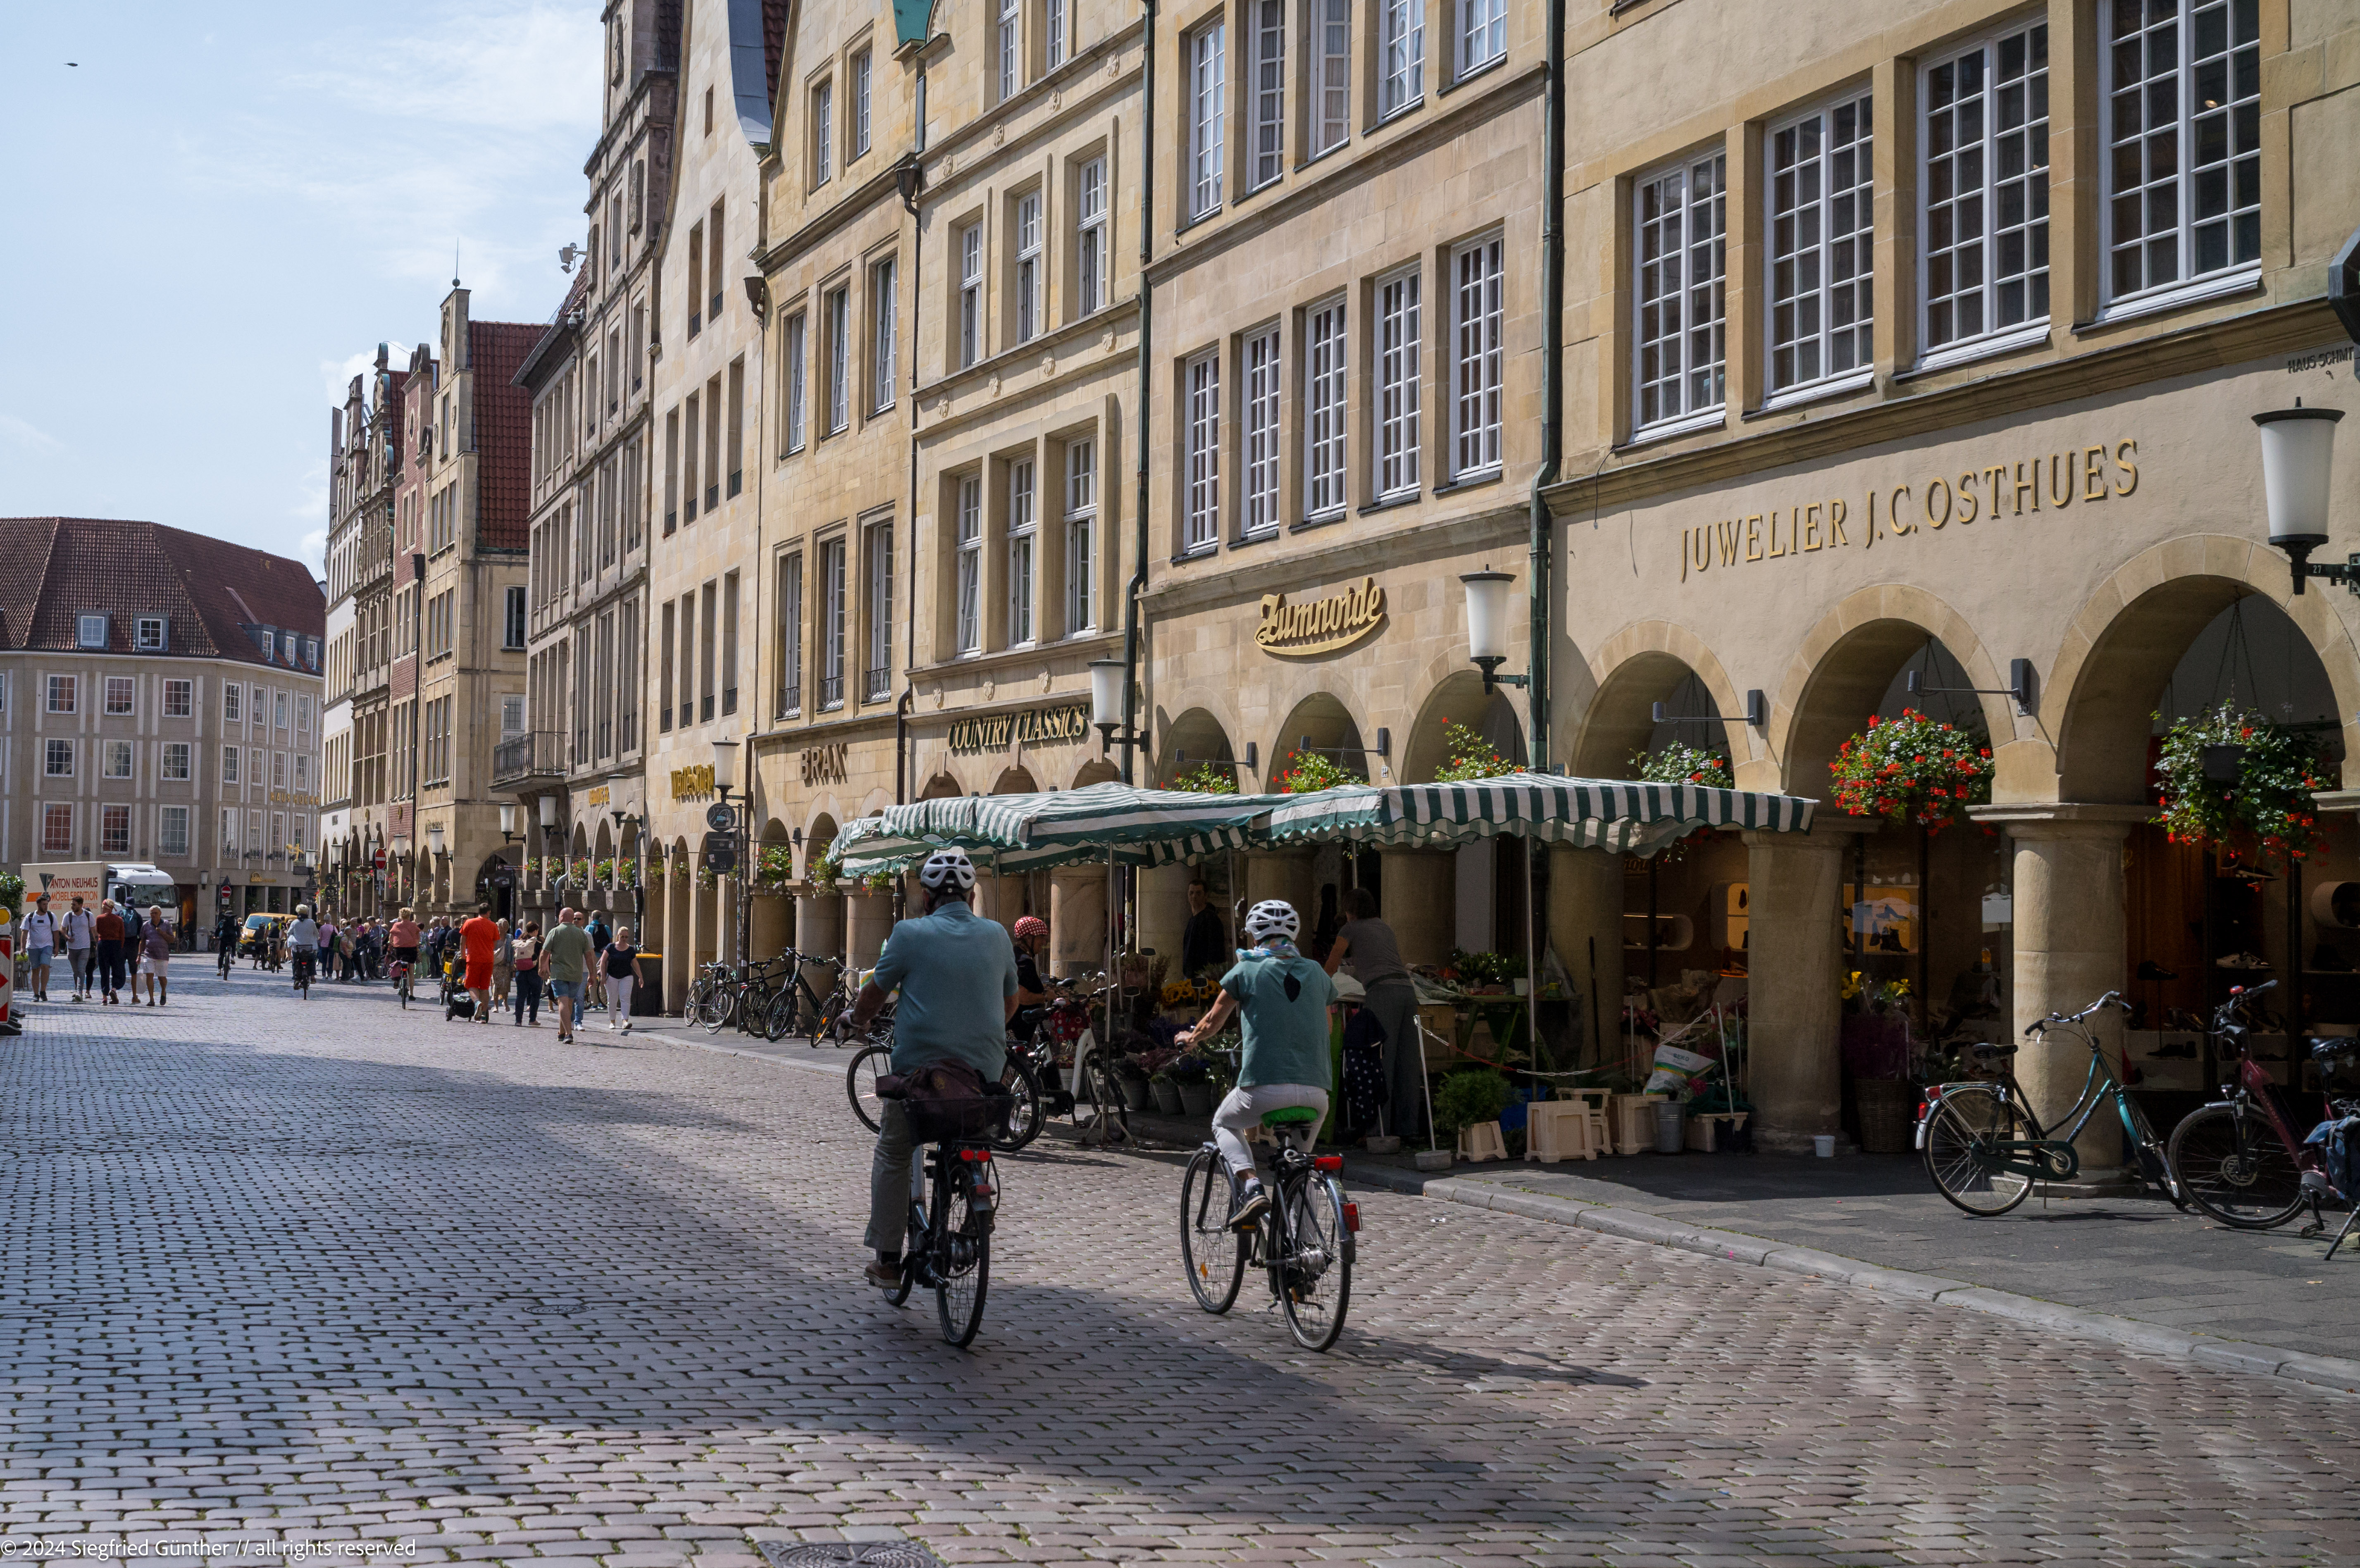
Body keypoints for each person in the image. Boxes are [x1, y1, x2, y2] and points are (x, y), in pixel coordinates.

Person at [841, 848, 1019, 1287]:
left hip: (921, 1075)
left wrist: (857, 1019)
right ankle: (976, 1197)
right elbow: (1010, 1003)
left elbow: (874, 993)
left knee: (895, 1150)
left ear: (926, 896)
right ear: (972, 897)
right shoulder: (998, 935)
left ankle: (887, 1259)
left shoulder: (908, 933)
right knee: (972, 1132)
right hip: (981, 1074)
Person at [1178, 899, 1337, 1231]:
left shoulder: (1246, 970)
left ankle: (1251, 1187)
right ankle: (1307, 1250)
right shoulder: (1318, 973)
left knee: (1223, 1123)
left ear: (1253, 936)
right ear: (1294, 935)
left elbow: (1212, 1022)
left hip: (1265, 1088)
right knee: (1300, 1169)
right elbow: (1328, 1027)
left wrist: (1190, 1039)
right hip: (1316, 1092)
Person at [1323, 887, 1424, 1141]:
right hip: (1408, 993)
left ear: (1350, 910)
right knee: (1408, 1063)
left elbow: (1332, 964)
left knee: (1381, 1061)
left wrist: (1317, 986)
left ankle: (1378, 1132)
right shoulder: (1384, 927)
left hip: (1384, 994)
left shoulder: (1350, 928)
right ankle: (1409, 1129)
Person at [540, 908, 594, 1044]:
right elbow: (589, 956)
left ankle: (569, 1034)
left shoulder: (555, 932)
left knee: (563, 1003)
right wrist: (592, 974)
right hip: (576, 974)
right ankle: (562, 1032)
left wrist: (542, 967)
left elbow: (544, 952)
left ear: (562, 917)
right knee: (568, 1004)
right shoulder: (581, 934)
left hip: (559, 974)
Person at [459, 903, 501, 1025]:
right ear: (488, 913)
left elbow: (463, 941)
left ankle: (477, 1003)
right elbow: (495, 943)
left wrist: (463, 956)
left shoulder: (469, 923)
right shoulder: (493, 925)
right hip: (488, 960)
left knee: (471, 985)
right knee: (484, 987)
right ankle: (483, 1016)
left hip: (473, 959)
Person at [1180, 877, 1229, 977]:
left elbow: (1216, 951)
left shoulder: (1211, 919)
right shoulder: (1193, 919)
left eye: (1198, 893)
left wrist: (1209, 975)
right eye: (1191, 893)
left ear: (1206, 896)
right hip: (1191, 975)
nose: (1194, 896)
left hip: (1203, 976)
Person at [601, 925, 643, 1032]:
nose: (624, 939)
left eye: (626, 937)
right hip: (612, 976)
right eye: (622, 937)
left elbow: (635, 964)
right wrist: (603, 976)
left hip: (627, 976)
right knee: (612, 999)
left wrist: (640, 977)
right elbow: (603, 961)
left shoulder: (630, 949)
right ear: (618, 936)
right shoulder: (611, 947)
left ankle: (625, 1021)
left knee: (625, 998)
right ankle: (612, 1021)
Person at [22, 896, 56, 1004]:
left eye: (47, 904)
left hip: (47, 946)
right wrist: (22, 948)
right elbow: (25, 932)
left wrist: (57, 947)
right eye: (44, 905)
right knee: (35, 970)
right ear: (38, 905)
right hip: (33, 947)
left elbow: (56, 932)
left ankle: (43, 991)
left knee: (45, 966)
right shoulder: (30, 917)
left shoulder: (51, 916)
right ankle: (36, 994)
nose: (46, 907)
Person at [93, 900, 126, 1005]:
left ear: (105, 908)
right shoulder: (119, 920)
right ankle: (114, 989)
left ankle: (104, 997)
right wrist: (120, 947)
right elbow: (122, 935)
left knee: (104, 971)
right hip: (116, 945)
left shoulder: (100, 918)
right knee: (117, 969)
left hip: (103, 944)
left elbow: (98, 931)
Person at [510, 921, 544, 1026]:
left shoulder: (521, 940)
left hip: (521, 972)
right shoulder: (538, 942)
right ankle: (532, 1019)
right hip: (534, 972)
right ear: (535, 931)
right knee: (535, 996)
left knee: (520, 996)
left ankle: (518, 1021)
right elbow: (542, 956)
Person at [138, 906, 173, 1006]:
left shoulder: (166, 924)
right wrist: (139, 955)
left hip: (162, 955)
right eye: (152, 913)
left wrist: (162, 933)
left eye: (156, 913)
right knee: (149, 975)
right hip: (149, 954)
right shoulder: (146, 925)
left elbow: (172, 940)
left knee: (162, 978)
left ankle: (163, 992)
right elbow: (142, 941)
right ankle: (152, 999)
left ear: (160, 914)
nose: (153, 915)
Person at [62, 897, 94, 1002]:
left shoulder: (88, 915)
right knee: (76, 972)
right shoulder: (68, 916)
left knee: (81, 971)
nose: (72, 907)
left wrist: (97, 943)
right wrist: (68, 938)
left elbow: (94, 930)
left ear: (81, 905)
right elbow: (63, 930)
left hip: (85, 947)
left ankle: (79, 993)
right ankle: (77, 990)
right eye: (72, 904)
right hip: (72, 949)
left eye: (74, 905)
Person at [584, 910, 613, 1014]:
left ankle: (594, 1004)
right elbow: (611, 941)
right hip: (604, 957)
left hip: (593, 956)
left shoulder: (589, 928)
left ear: (592, 918)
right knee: (603, 979)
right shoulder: (607, 928)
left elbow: (586, 942)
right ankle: (603, 1002)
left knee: (592, 978)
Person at [287, 905, 320, 994]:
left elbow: (289, 933)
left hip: (298, 948)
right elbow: (316, 933)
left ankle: (296, 979)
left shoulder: (295, 923)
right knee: (312, 960)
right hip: (310, 948)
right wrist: (316, 939)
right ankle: (313, 977)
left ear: (298, 912)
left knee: (296, 962)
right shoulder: (311, 922)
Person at [491, 919, 515, 1008]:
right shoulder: (494, 936)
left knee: (506, 986)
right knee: (496, 985)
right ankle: (496, 1005)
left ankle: (505, 1001)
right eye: (504, 925)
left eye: (507, 925)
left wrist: (513, 964)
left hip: (506, 965)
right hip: (496, 965)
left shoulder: (510, 937)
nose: (506, 927)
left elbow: (512, 951)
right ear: (499, 926)